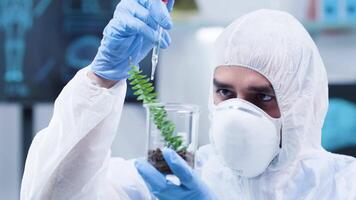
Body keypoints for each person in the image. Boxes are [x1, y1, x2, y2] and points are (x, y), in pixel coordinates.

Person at [21, 0, 356, 199]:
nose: (238, 113)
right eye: (225, 92)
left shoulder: (341, 186)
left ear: (301, 104)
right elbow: (53, 193)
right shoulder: (169, 183)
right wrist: (102, 78)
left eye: (262, 96)